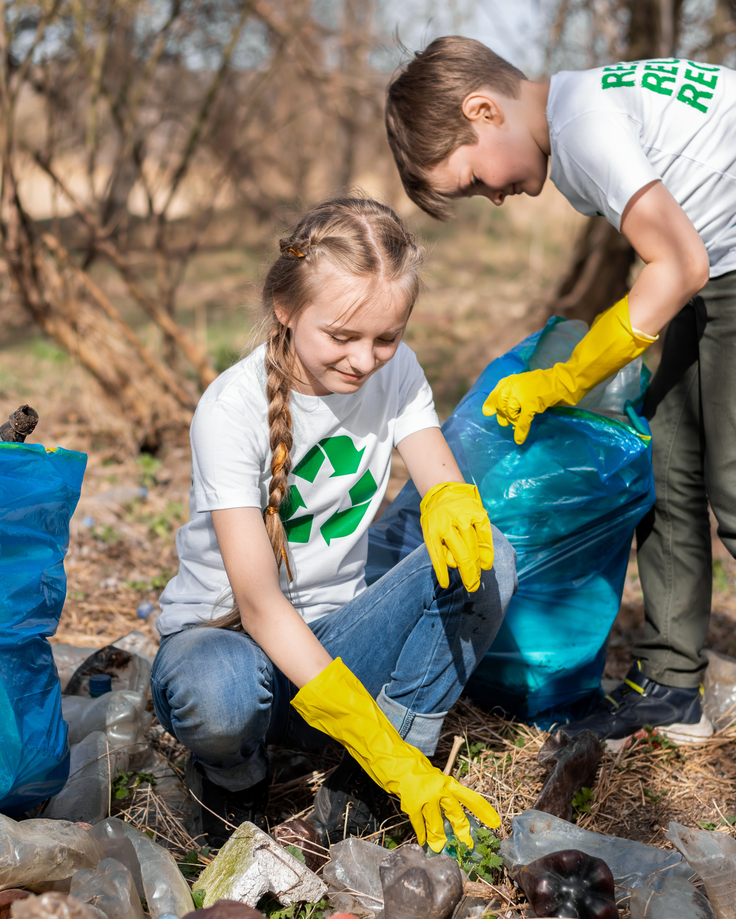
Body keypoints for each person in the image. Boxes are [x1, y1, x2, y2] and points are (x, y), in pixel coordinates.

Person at [384, 37, 736, 817]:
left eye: (475, 180)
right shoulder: (577, 119)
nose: (494, 197)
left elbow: (677, 264)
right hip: (727, 243)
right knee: (664, 460)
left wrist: (568, 377)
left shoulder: (580, 124)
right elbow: (677, 256)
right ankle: (674, 682)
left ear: (485, 111)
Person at [151, 196, 517, 848]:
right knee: (220, 693)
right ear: (285, 309)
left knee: (491, 558)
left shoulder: (396, 370)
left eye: (387, 336)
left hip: (340, 639)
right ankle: (236, 777)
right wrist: (377, 739)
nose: (364, 358)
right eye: (342, 336)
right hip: (231, 646)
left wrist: (452, 499)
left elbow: (441, 480)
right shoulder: (230, 411)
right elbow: (260, 608)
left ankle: (369, 783)